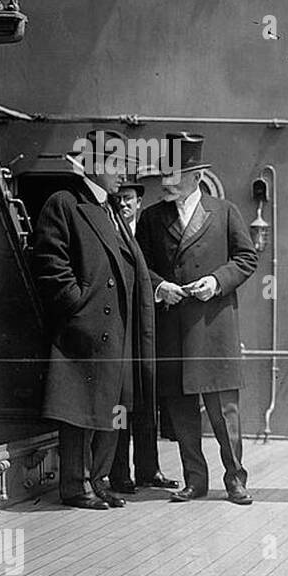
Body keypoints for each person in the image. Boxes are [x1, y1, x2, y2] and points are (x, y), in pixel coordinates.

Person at [30, 141, 155, 510]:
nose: (123, 174)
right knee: (80, 409)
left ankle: (98, 480)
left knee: (111, 406)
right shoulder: (66, 202)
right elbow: (50, 263)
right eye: (118, 165)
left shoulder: (110, 208)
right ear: (96, 164)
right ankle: (76, 485)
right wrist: (77, 306)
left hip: (117, 327)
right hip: (86, 327)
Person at [136, 133, 258, 505]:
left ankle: (235, 479)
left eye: (173, 176)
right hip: (173, 327)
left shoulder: (224, 212)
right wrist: (160, 288)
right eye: (163, 177)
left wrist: (216, 281)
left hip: (213, 326)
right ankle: (195, 479)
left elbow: (246, 259)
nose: (165, 183)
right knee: (181, 410)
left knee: (225, 412)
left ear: (196, 177)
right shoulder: (152, 218)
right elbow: (141, 268)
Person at [107, 161, 177, 493]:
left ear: (138, 202)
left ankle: (149, 470)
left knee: (148, 402)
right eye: (119, 198)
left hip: (149, 329)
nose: (123, 203)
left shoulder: (148, 228)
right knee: (122, 403)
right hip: (121, 329)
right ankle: (120, 473)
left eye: (129, 199)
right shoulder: (108, 228)